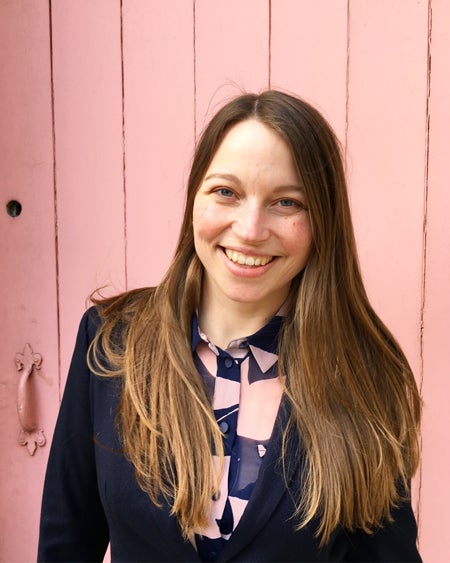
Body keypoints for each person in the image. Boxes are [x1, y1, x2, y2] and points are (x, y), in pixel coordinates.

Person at [37, 90, 422, 562]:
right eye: (227, 192)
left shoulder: (364, 372)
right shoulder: (110, 341)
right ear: (194, 198)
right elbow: (66, 542)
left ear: (323, 219)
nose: (251, 228)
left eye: (286, 202)